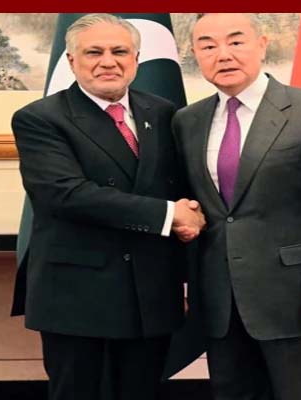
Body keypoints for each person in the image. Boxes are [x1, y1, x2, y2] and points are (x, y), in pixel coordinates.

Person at [11, 13, 204, 400]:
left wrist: (192, 219)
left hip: (150, 293)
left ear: (136, 59)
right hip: (78, 297)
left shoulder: (164, 113)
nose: (108, 62)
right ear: (71, 61)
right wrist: (170, 215)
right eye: (94, 52)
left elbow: (180, 185)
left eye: (119, 51)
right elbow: (67, 194)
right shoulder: (40, 118)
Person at [172, 13, 301, 400]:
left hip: (294, 297)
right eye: (208, 46)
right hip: (219, 299)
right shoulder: (187, 121)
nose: (223, 54)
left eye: (235, 41)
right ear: (194, 54)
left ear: (262, 44)